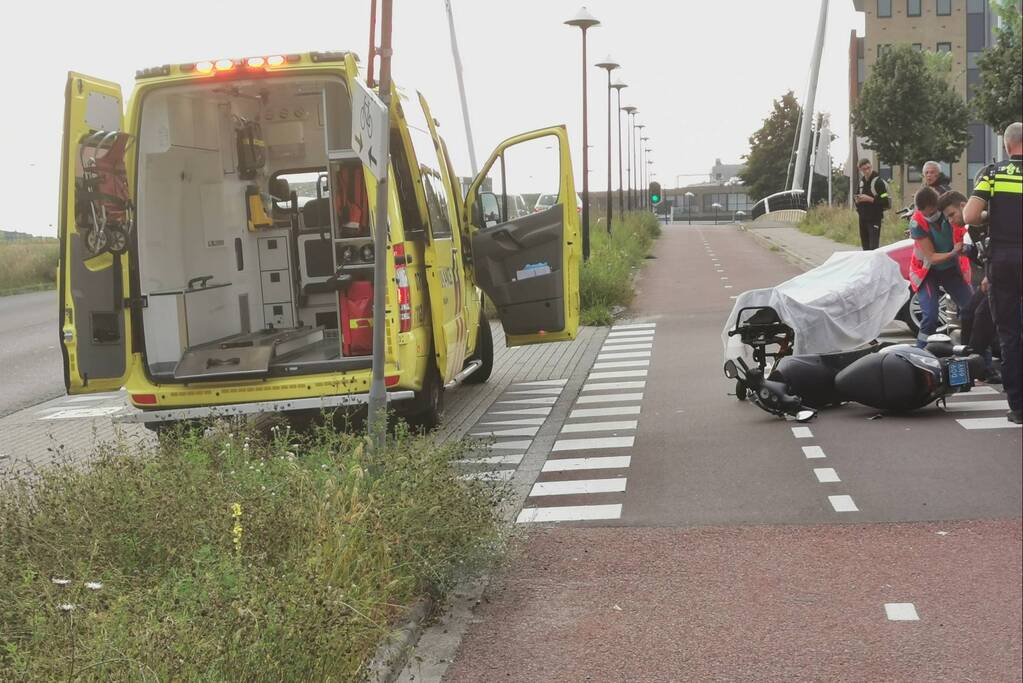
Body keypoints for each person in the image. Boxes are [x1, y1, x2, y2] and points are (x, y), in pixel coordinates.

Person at [964, 121, 1023, 424]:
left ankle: (1019, 407)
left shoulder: (993, 173)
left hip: (1003, 260)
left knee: (1010, 334)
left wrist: (991, 214)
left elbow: (969, 216)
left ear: (1006, 145)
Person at [937, 190, 1001, 383]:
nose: (950, 221)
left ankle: (974, 369)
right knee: (967, 313)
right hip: (993, 280)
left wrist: (991, 274)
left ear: (964, 207)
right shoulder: (971, 232)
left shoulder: (994, 222)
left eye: (951, 215)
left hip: (1006, 280)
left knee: (982, 318)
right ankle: (971, 369)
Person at [908, 186, 973, 348]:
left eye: (933, 212)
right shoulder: (917, 222)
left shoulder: (949, 214)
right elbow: (931, 257)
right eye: (926, 214)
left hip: (951, 269)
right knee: (930, 315)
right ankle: (920, 351)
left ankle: (972, 351)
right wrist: (953, 253)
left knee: (971, 307)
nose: (930, 216)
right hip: (928, 271)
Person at [853, 158, 890, 250]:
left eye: (869, 168)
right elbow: (857, 197)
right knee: (865, 248)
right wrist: (857, 201)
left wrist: (870, 199)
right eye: (864, 169)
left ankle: (875, 264)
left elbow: (885, 200)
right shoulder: (861, 183)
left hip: (874, 219)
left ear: (871, 166)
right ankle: (868, 264)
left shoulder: (879, 182)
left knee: (873, 247)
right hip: (863, 219)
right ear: (860, 170)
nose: (867, 171)